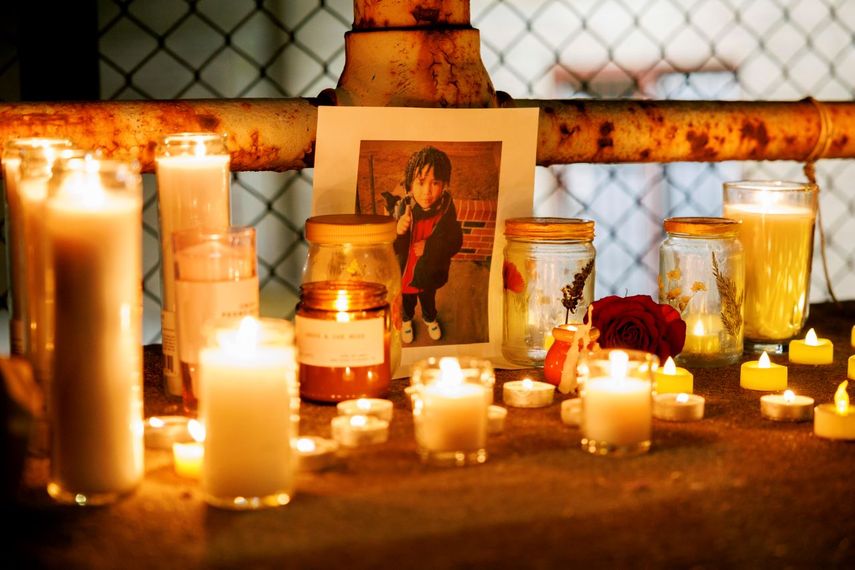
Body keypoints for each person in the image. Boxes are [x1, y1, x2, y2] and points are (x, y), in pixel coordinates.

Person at [392, 146, 463, 343]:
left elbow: (455, 241)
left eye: (435, 183)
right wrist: (398, 231)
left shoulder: (446, 209)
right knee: (407, 303)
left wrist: (430, 247)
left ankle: (429, 318)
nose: (427, 192)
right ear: (409, 184)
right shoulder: (401, 209)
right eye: (421, 182)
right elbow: (388, 246)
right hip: (405, 274)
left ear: (444, 185)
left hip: (429, 272)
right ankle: (406, 321)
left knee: (428, 300)